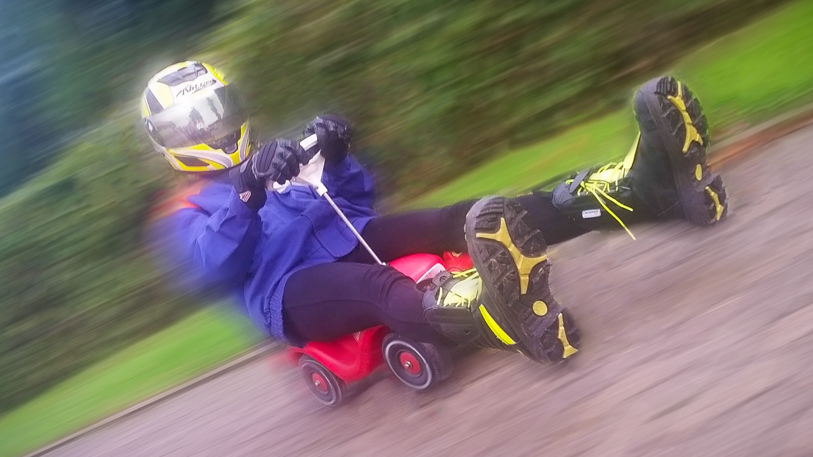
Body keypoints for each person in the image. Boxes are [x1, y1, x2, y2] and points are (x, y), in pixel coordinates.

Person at [143, 61, 727, 364]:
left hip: (346, 233)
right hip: (286, 290)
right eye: (194, 123)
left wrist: (338, 154)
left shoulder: (274, 157)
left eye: (216, 110)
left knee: (470, 214)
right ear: (168, 140)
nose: (213, 128)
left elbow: (352, 202)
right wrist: (246, 192)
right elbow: (215, 266)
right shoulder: (179, 211)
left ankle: (646, 192)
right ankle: (490, 312)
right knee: (377, 286)